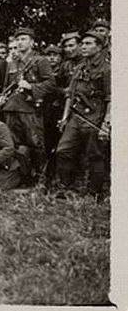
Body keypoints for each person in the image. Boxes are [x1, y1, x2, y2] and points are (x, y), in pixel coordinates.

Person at [56, 30, 110, 196]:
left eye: (88, 44)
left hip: (95, 118)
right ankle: (67, 188)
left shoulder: (107, 69)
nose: (83, 47)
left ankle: (94, 193)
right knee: (63, 150)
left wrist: (106, 124)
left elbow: (111, 98)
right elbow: (70, 95)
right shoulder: (79, 68)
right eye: (83, 43)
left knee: (95, 156)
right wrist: (65, 118)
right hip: (75, 117)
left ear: (99, 47)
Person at [0, 27, 55, 181]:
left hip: (30, 108)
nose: (20, 42)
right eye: (18, 39)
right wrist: (3, 98)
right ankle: (23, 177)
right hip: (11, 108)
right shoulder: (12, 63)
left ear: (32, 42)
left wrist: (31, 87)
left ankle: (41, 179)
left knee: (36, 144)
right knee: (15, 144)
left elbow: (51, 84)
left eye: (23, 39)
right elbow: (6, 86)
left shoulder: (40, 61)